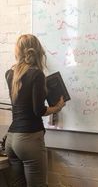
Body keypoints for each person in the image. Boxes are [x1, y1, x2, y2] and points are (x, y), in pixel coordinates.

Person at [5, 34, 66, 187]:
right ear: (37, 51)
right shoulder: (36, 74)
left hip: (11, 139)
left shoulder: (10, 74)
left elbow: (20, 104)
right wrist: (57, 108)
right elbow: (38, 110)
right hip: (29, 139)